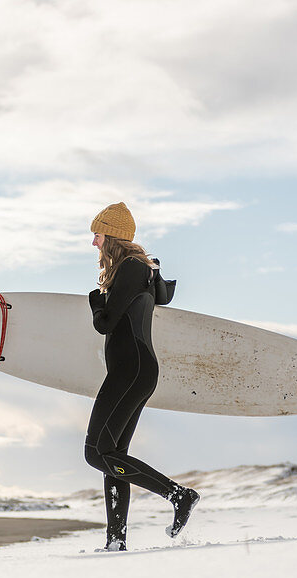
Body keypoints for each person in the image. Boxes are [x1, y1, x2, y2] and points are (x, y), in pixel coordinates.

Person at [84, 201, 200, 551]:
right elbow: (162, 295)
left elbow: (106, 323)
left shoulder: (131, 268)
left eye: (98, 235)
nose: (94, 244)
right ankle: (116, 540)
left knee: (95, 452)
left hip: (129, 371)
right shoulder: (141, 269)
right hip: (136, 370)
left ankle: (178, 495)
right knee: (113, 455)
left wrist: (95, 301)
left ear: (113, 236)